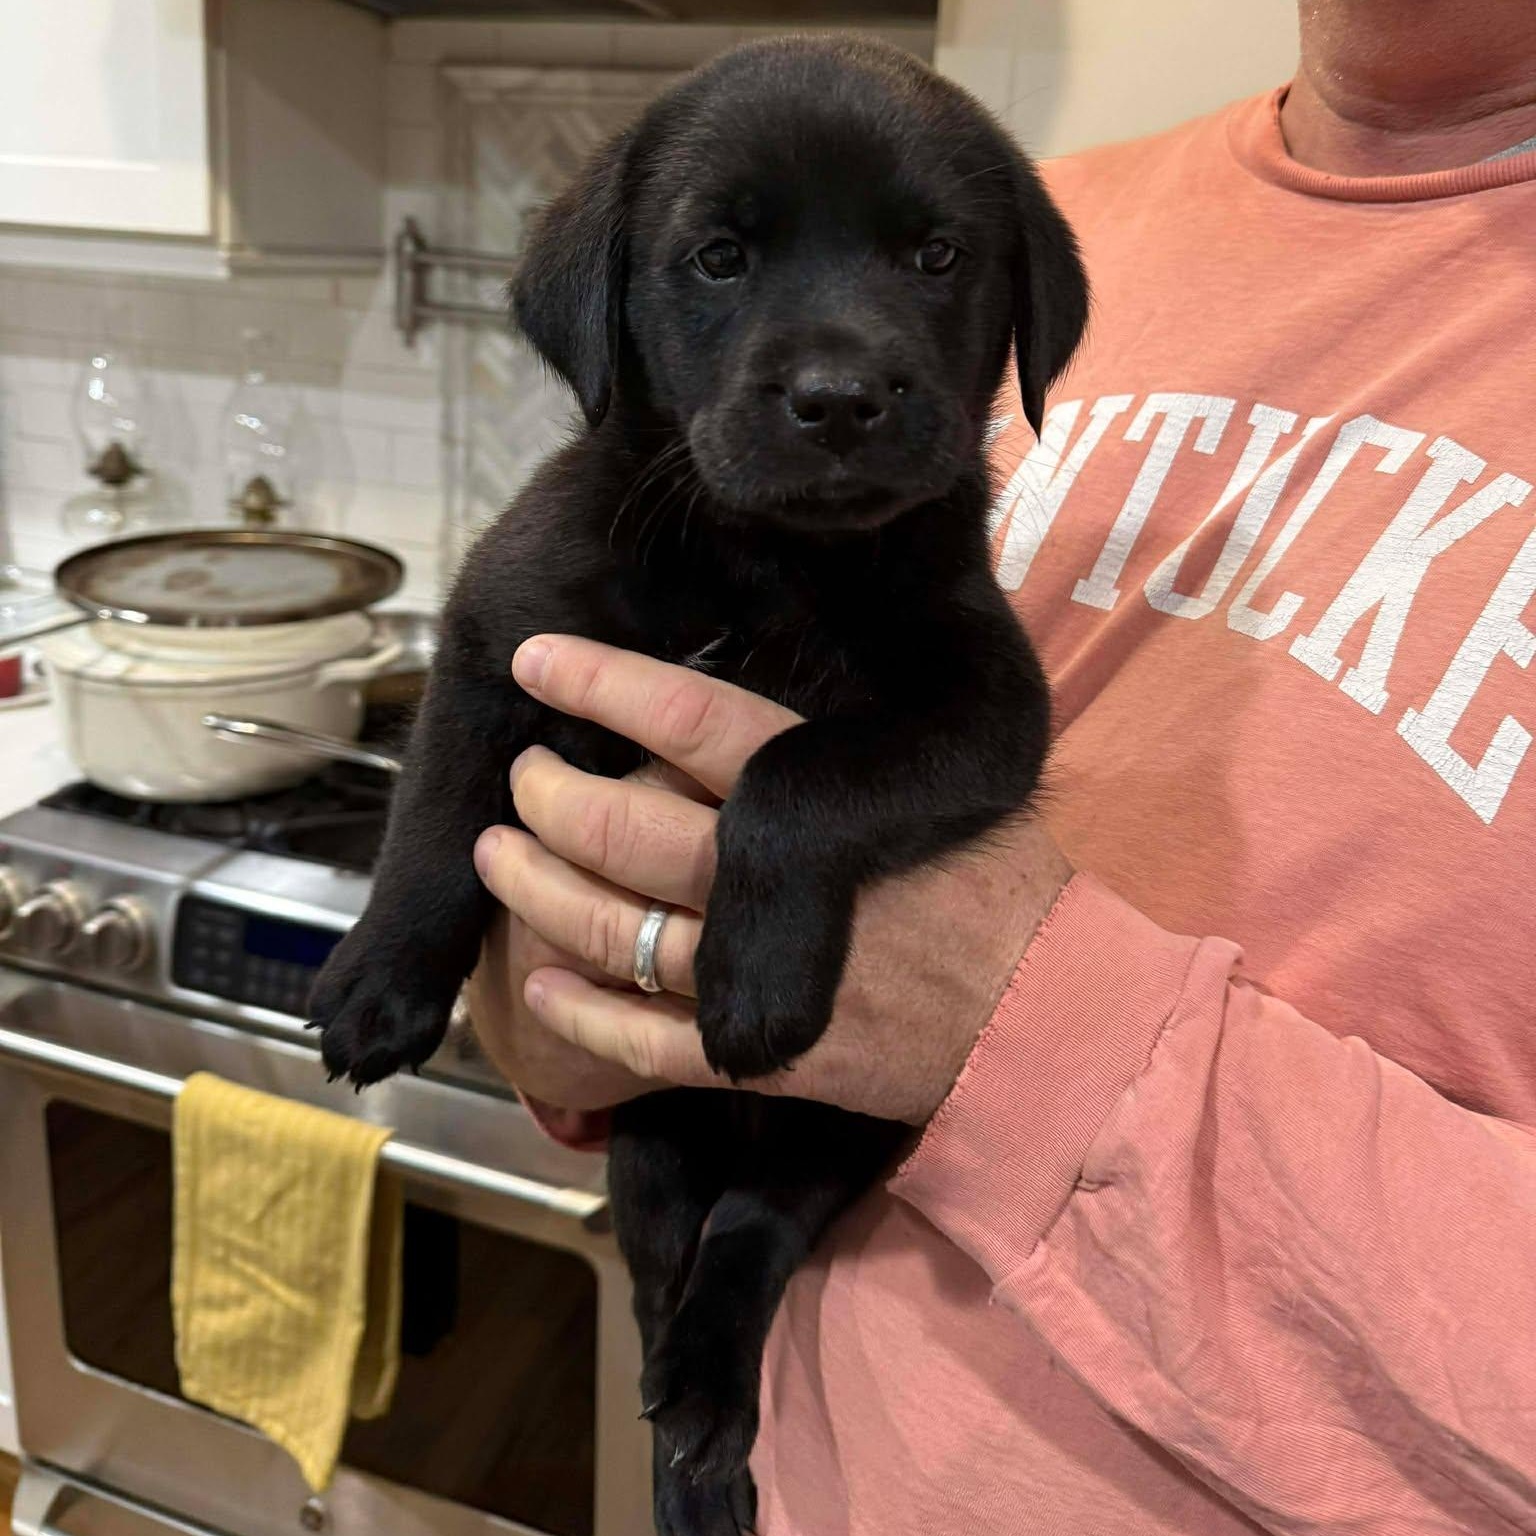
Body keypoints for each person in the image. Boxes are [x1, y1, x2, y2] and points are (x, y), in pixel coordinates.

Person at [466, 2, 1536, 1530]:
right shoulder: (1018, 211)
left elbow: (941, 938)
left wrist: (1021, 1023)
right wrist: (566, 993)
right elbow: (567, 993)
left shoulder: (969, 244)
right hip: (744, 1434)